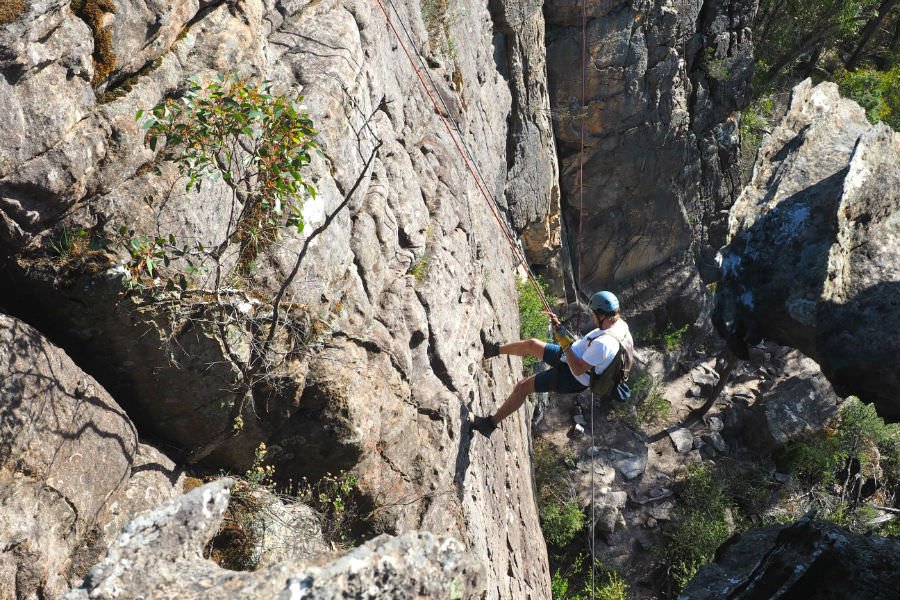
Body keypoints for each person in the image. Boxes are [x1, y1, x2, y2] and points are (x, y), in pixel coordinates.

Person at [472, 290, 633, 437]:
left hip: (572, 378)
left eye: (593, 313)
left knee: (523, 387)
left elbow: (577, 369)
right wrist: (563, 333)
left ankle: (489, 424)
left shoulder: (604, 344)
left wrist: (565, 343)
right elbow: (586, 346)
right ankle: (492, 350)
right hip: (569, 355)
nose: (591, 316)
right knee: (531, 344)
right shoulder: (619, 326)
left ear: (602, 315)